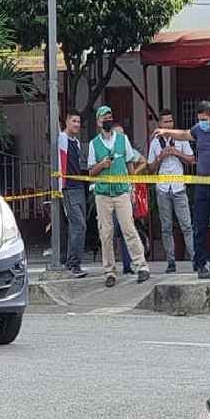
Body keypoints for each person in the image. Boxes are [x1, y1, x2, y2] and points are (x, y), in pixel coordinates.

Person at [153, 100, 210, 280]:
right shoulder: (198, 129)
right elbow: (184, 134)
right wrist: (166, 131)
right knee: (200, 226)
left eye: (205, 119)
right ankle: (200, 265)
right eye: (200, 120)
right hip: (202, 186)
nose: (202, 123)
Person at [88, 106, 151, 286]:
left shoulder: (123, 140)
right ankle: (109, 272)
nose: (107, 119)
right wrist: (102, 165)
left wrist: (131, 187)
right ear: (99, 122)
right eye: (104, 117)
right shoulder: (94, 144)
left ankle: (142, 266)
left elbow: (130, 164)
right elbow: (91, 172)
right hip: (103, 194)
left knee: (129, 229)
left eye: (109, 116)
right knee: (106, 233)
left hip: (122, 191)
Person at [147, 109, 195, 273]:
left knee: (186, 225)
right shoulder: (155, 142)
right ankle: (171, 261)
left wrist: (176, 152)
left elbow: (191, 159)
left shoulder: (180, 138)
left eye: (170, 121)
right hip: (162, 188)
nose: (169, 124)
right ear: (160, 124)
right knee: (166, 227)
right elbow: (150, 168)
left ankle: (195, 258)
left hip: (179, 187)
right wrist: (160, 157)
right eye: (165, 122)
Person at [58, 110, 89, 278]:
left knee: (78, 227)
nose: (77, 124)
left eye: (78, 121)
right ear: (67, 122)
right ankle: (73, 263)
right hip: (68, 187)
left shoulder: (76, 143)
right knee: (78, 225)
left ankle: (73, 261)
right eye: (74, 121)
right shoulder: (62, 139)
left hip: (79, 187)